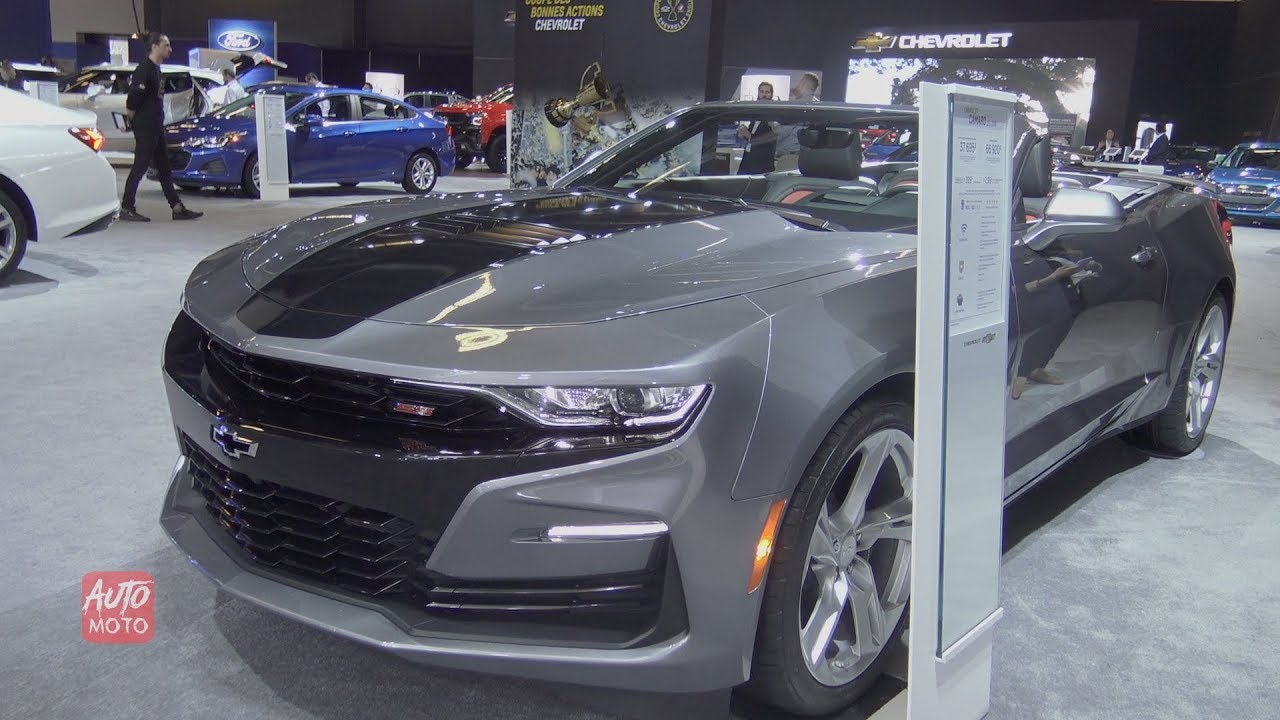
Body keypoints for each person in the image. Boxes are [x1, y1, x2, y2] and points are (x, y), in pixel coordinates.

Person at [118, 32, 202, 222]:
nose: (170, 49)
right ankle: (127, 207)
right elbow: (133, 99)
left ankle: (177, 208)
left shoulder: (156, 70)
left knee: (164, 168)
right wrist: (135, 120)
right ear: (155, 47)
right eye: (166, 45)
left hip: (156, 126)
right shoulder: (144, 70)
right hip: (146, 127)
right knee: (140, 167)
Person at [737, 82, 778, 174]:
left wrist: (748, 134)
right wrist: (742, 134)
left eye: (767, 92)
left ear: (771, 94)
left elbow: (769, 140)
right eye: (762, 91)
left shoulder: (774, 113)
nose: (764, 94)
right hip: (748, 158)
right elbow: (752, 135)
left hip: (761, 162)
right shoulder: (756, 112)